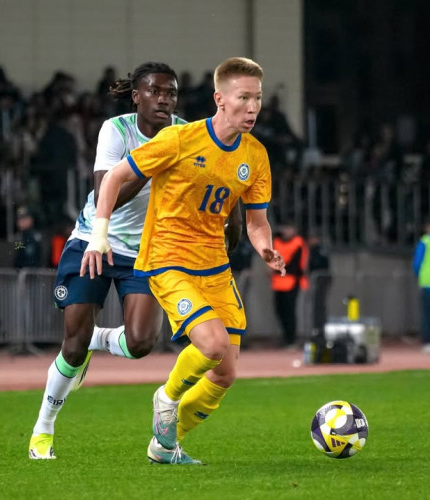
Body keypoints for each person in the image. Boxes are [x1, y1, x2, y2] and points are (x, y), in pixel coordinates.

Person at [28, 62, 242, 459]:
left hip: (146, 251)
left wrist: (233, 214)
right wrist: (152, 161)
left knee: (141, 342)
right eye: (155, 91)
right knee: (72, 347)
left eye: (171, 93)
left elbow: (221, 176)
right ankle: (44, 428)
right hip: (95, 239)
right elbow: (104, 194)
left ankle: (98, 338)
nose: (164, 99)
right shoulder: (116, 130)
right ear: (137, 96)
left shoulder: (187, 134)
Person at [84, 57, 286, 464]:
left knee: (225, 373)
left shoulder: (255, 155)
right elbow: (115, 178)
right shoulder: (180, 139)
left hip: (215, 267)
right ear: (219, 99)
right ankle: (167, 396)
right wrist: (99, 235)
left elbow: (257, 222)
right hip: (168, 259)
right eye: (243, 98)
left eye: (257, 99)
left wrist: (265, 247)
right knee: (211, 345)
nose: (252, 108)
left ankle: (164, 444)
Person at [270, 222, 308, 348]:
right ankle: (286, 337)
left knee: (290, 311)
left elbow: (295, 266)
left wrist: (277, 268)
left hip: (292, 282)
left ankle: (291, 339)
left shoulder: (298, 243)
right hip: (278, 283)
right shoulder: (276, 242)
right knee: (280, 310)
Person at [412, 218, 430, 354]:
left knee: (427, 314)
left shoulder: (424, 242)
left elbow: (417, 263)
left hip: (427, 282)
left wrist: (419, 274)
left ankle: (427, 342)